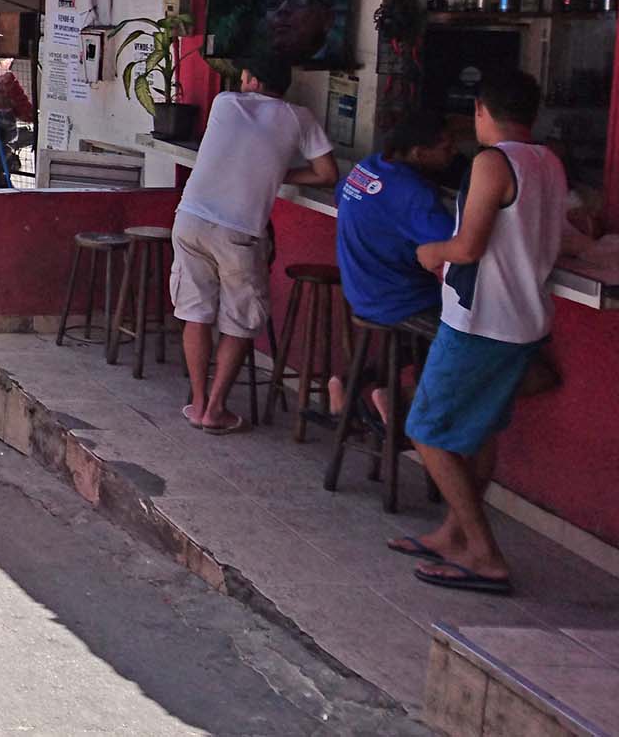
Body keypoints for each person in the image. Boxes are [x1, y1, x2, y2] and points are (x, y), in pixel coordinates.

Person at [404, 72, 590, 594]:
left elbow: (468, 248)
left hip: (481, 319)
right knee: (480, 430)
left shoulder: (493, 163)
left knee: (426, 430)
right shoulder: (548, 162)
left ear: (482, 110)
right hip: (525, 320)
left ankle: (484, 554)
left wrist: (430, 253)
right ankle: (453, 534)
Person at [172, 56, 338, 435]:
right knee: (239, 321)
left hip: (191, 218)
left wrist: (267, 169)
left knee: (195, 312)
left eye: (244, 76)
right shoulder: (301, 117)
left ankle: (197, 405)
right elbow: (328, 173)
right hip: (240, 233)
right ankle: (215, 410)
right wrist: (277, 172)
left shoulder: (224, 102)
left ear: (253, 80)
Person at [328, 110, 458, 422]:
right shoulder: (416, 195)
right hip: (400, 299)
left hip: (361, 291)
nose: (454, 154)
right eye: (446, 148)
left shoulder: (368, 166)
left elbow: (339, 194)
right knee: (464, 340)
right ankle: (405, 401)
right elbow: (456, 247)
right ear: (419, 152)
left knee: (415, 339)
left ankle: (350, 381)